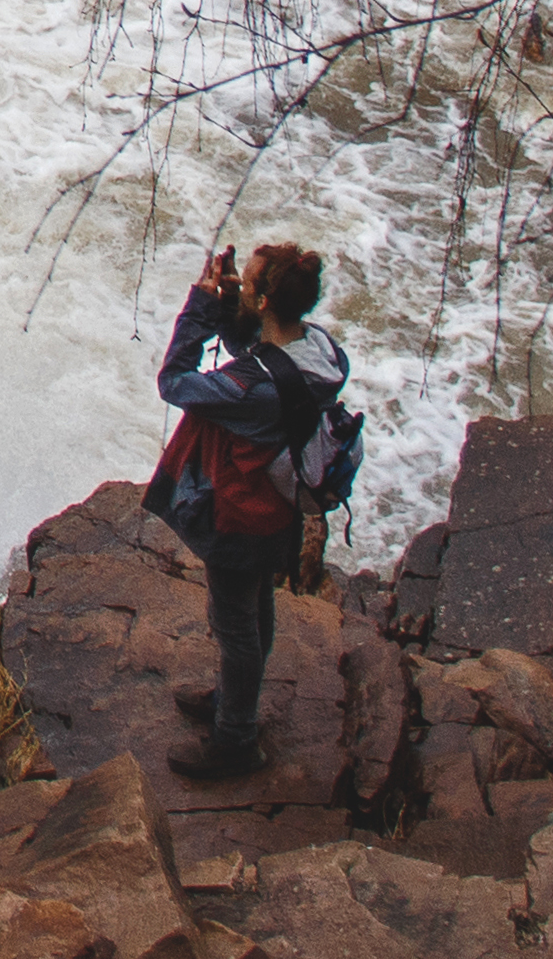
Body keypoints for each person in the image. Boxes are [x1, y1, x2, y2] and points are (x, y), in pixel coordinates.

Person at [150, 240, 350, 779]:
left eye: (251, 283)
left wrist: (199, 305)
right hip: (280, 511)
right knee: (257, 609)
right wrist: (236, 304)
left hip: (241, 515)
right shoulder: (323, 351)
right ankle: (232, 702)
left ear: (263, 303)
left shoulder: (250, 390)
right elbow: (261, 353)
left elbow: (174, 382)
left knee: (234, 624)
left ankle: (235, 739)